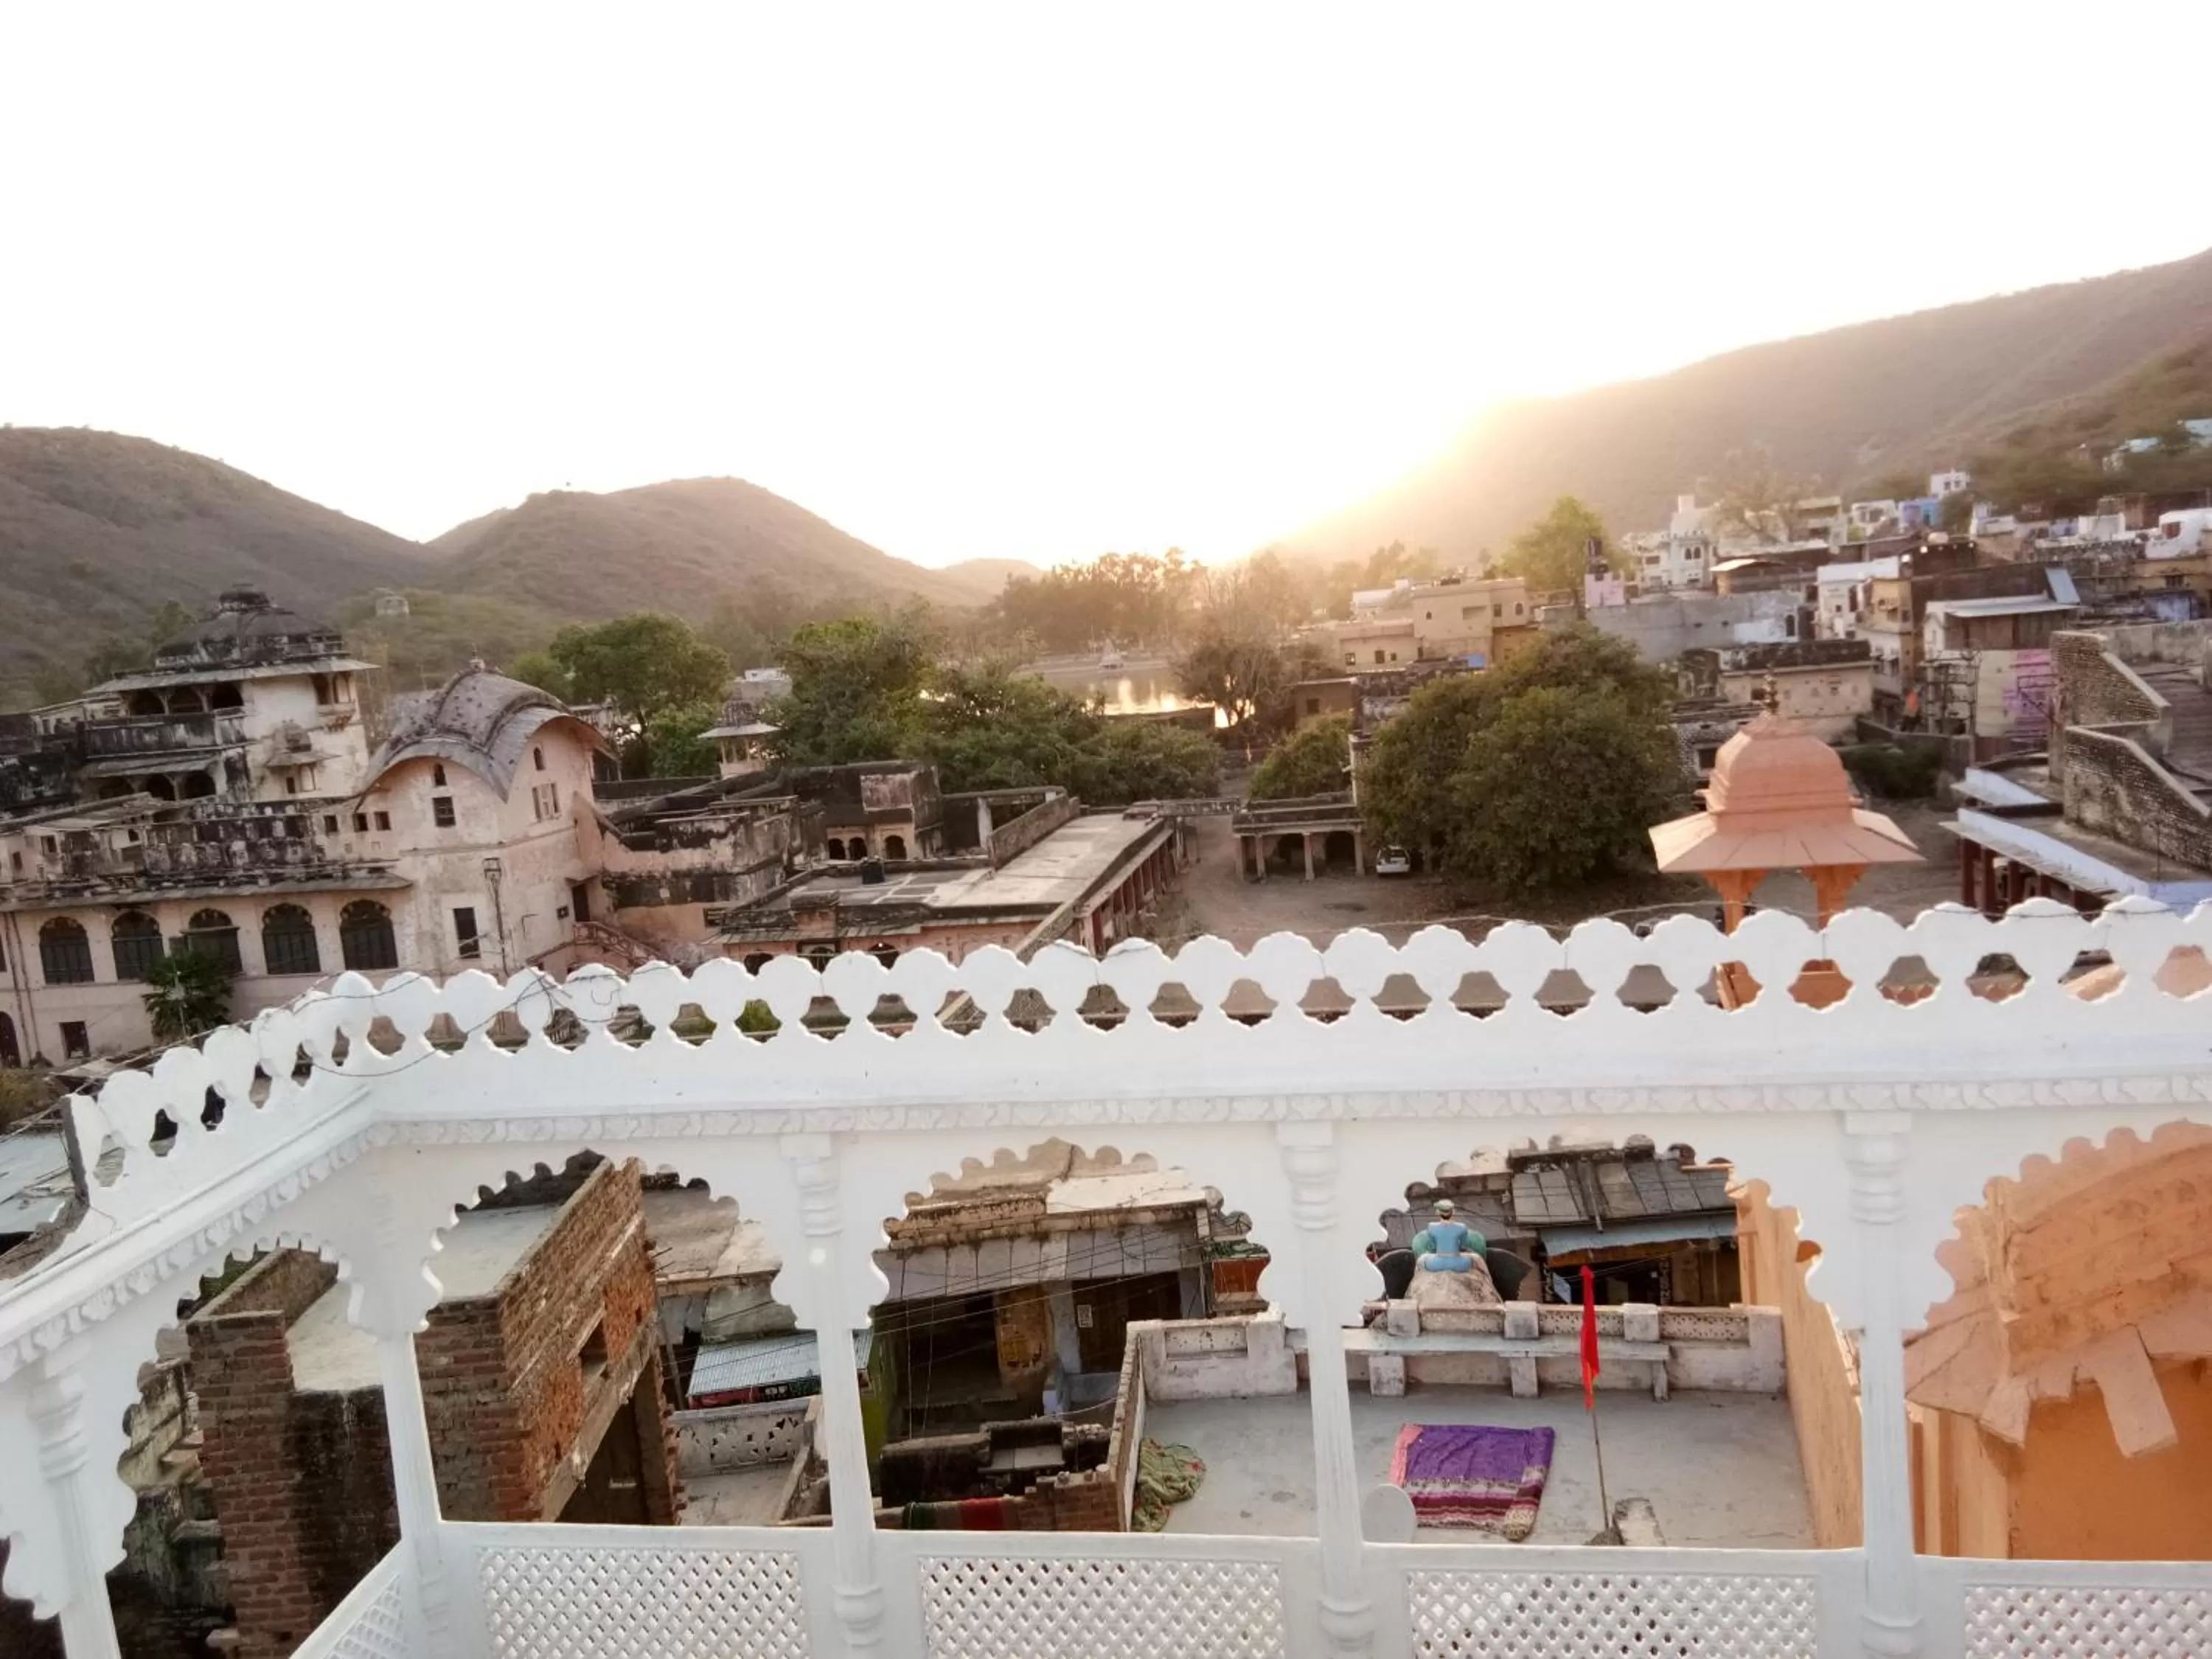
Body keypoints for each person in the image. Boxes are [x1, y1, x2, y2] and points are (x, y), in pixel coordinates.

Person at [1409, 1198, 1484, 1273]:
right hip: (1458, 1264)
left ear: (1437, 1212)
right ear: (1453, 1212)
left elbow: (1433, 1246)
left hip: (1437, 1264)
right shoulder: (1462, 1227)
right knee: (1478, 1259)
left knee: (1420, 1260)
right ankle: (1488, 1278)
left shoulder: (1431, 1226)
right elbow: (1463, 1246)